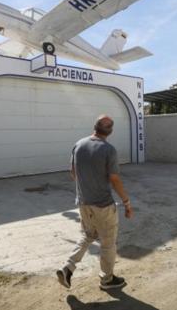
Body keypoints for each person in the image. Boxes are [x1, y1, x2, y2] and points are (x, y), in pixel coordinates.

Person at [57, 115, 134, 290]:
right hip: (103, 206)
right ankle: (107, 280)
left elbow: (72, 171)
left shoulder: (79, 144)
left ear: (94, 126)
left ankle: (68, 267)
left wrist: (86, 187)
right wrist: (127, 203)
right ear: (111, 131)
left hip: (83, 203)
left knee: (88, 235)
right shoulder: (108, 150)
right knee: (108, 243)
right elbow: (114, 179)